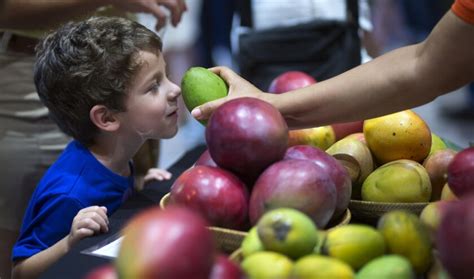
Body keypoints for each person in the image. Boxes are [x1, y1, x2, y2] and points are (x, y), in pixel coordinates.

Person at [0, 2, 185, 277]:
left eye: (166, 75)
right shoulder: (70, 195)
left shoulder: (116, 156)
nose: (176, 89)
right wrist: (69, 243)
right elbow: (20, 271)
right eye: (154, 86)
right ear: (107, 118)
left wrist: (135, 183)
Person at [191, 0, 474, 130]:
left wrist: (272, 106)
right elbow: (422, 66)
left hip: (343, 61)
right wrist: (270, 105)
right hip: (266, 65)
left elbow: (422, 68)